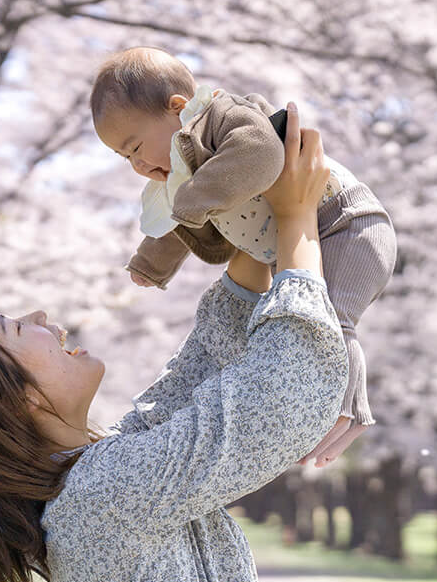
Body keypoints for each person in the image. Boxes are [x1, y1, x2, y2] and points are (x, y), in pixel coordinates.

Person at [0, 109, 349, 582]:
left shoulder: (93, 478)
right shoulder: (102, 495)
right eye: (17, 327)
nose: (41, 316)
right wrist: (295, 224)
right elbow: (275, 398)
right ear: (22, 401)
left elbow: (198, 375)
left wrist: (252, 219)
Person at [91, 46, 397, 464]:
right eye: (125, 157)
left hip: (347, 224)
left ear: (178, 109)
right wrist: (150, 265)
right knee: (304, 322)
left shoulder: (223, 117)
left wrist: (193, 199)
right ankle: (320, 412)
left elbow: (261, 156)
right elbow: (177, 221)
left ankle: (348, 410)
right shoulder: (183, 172)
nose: (138, 165)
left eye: (136, 146)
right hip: (303, 240)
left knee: (330, 321)